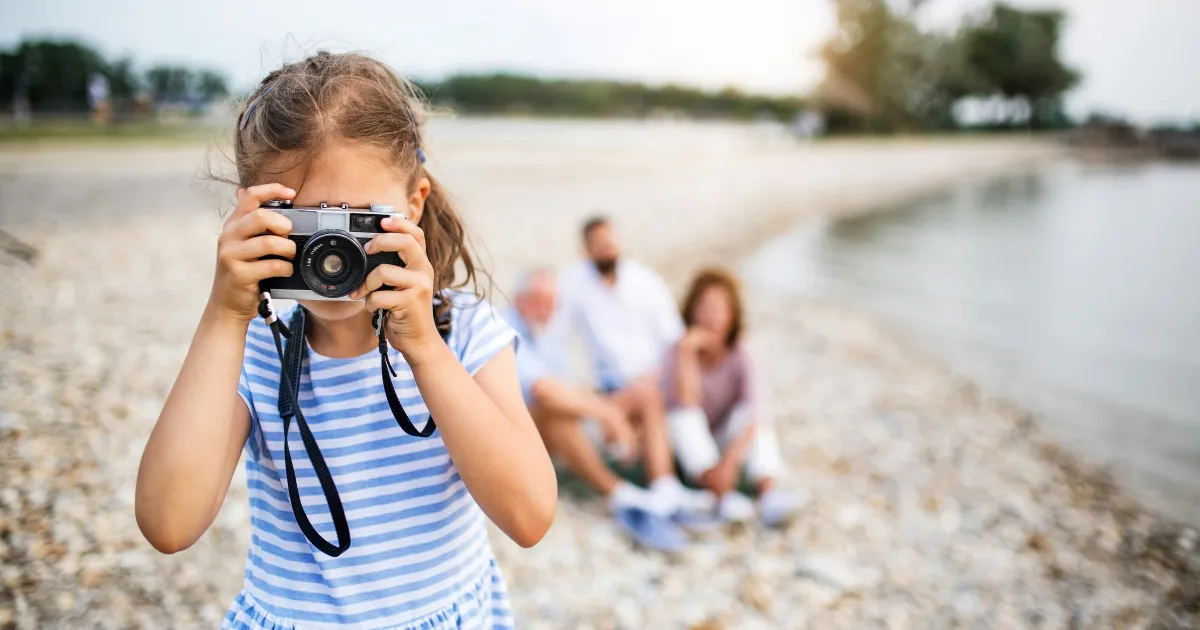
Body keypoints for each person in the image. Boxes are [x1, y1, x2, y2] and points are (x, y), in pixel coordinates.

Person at [135, 52, 556, 630]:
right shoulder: (252, 345)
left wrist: (425, 349)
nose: (331, 251)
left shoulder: (462, 333)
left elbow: (530, 516)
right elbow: (168, 522)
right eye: (302, 222)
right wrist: (225, 312)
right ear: (251, 213)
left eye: (357, 220)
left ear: (414, 204)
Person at [505, 268, 689, 551]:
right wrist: (608, 414)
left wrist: (606, 410)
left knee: (645, 395)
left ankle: (664, 488)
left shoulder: (546, 333)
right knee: (553, 408)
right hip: (524, 434)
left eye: (552, 301)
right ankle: (617, 493)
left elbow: (570, 388)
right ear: (520, 300)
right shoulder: (507, 329)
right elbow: (542, 390)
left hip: (559, 419)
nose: (548, 309)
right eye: (540, 300)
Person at [551, 216, 714, 516]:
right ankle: (662, 486)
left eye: (610, 243)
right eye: (599, 246)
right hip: (608, 389)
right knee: (635, 399)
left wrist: (655, 378)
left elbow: (673, 342)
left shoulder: (645, 281)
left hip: (652, 380)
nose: (607, 250)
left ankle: (665, 487)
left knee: (649, 395)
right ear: (587, 250)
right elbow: (555, 341)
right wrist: (578, 390)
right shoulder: (574, 284)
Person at [664, 268, 799, 526]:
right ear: (692, 310)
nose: (710, 316)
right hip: (689, 444)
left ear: (731, 315)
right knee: (683, 416)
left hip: (725, 437)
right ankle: (721, 494)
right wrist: (687, 354)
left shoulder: (741, 355)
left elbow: (755, 412)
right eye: (703, 307)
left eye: (717, 309)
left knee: (754, 419)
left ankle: (767, 491)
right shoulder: (677, 350)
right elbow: (687, 402)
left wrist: (730, 462)